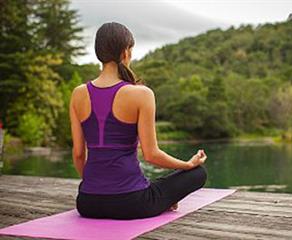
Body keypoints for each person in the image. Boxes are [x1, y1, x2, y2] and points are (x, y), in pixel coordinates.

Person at [69, 22, 208, 220]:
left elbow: (78, 154)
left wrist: (97, 188)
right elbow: (151, 155)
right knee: (198, 173)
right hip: (132, 203)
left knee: (147, 182)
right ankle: (166, 199)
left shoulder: (78, 94)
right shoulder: (142, 94)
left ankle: (158, 195)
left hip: (87, 203)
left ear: (99, 53)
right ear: (126, 52)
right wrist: (187, 165)